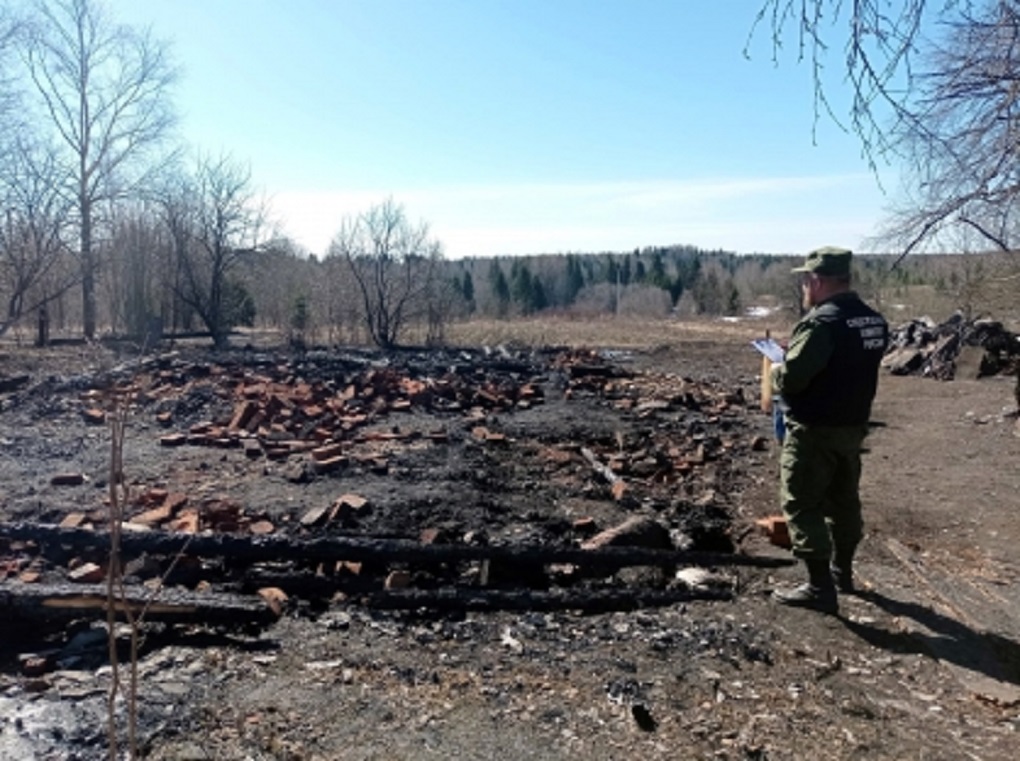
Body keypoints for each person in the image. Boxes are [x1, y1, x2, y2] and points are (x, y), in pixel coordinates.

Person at [770, 246, 889, 614]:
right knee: (844, 501)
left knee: (802, 502)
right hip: (852, 426)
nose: (804, 287)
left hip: (815, 428)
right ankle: (843, 572)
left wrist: (777, 370)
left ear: (818, 281)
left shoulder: (822, 323)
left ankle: (820, 587)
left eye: (806, 280)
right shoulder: (872, 320)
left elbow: (793, 378)